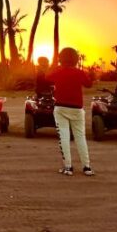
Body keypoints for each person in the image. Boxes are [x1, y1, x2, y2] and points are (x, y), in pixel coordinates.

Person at [46, 47, 94, 177]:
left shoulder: (58, 72)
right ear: (76, 59)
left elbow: (47, 78)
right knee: (80, 137)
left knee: (64, 137)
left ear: (61, 59)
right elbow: (89, 84)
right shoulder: (79, 72)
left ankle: (68, 167)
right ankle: (87, 167)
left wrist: (54, 64)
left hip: (61, 108)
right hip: (77, 109)